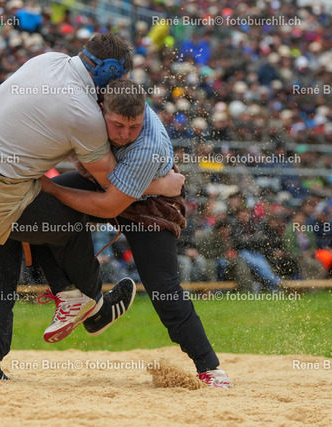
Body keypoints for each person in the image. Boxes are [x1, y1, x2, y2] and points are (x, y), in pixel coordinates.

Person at [0, 33, 181, 380]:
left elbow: (0, 95)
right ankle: (92, 304)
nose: (117, 89)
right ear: (107, 72)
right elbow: (112, 185)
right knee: (68, 215)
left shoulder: (47, 60)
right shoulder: (84, 114)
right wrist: (163, 185)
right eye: (118, 80)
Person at [41, 78, 231, 388]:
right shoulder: (85, 110)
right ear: (101, 109)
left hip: (151, 205)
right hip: (110, 183)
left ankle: (209, 367)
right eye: (117, 126)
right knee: (36, 210)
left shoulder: (148, 145)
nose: (125, 134)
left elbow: (110, 203)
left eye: (134, 126)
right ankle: (78, 299)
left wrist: (54, 188)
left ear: (144, 114)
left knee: (164, 288)